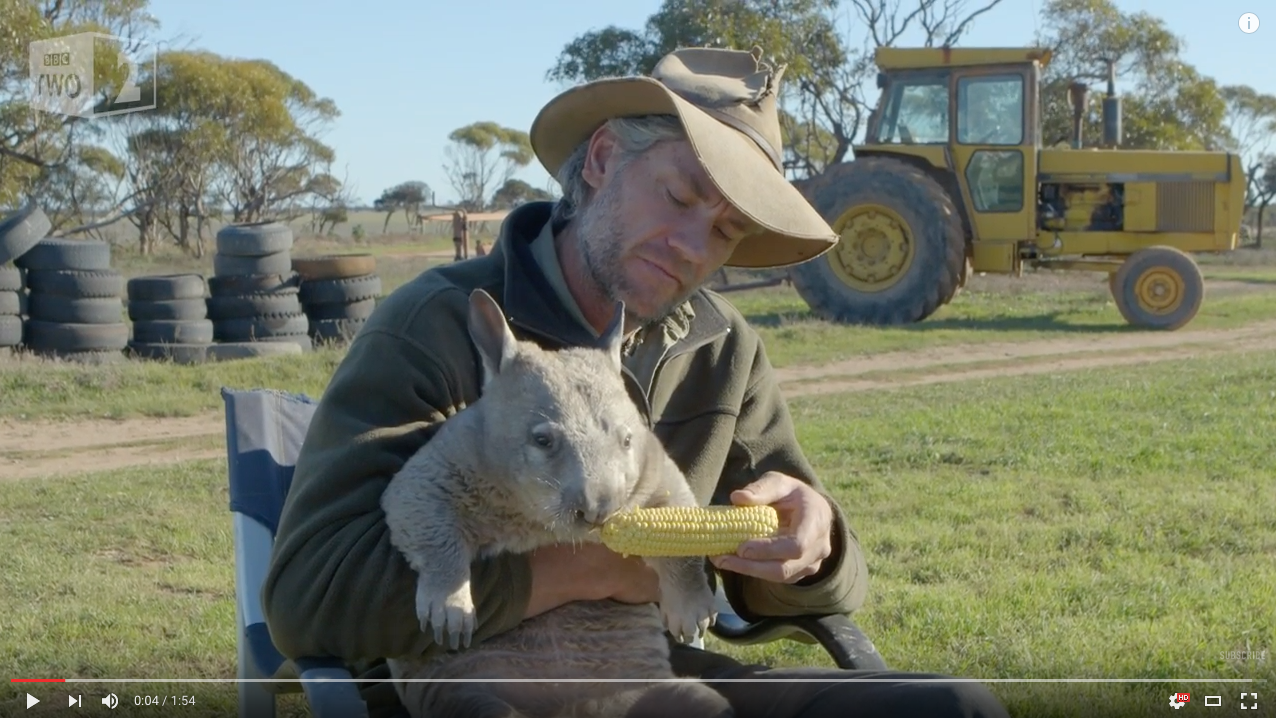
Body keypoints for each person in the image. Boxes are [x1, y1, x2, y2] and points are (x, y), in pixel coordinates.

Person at [262, 46, 1010, 718]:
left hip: (648, 672)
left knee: (949, 705)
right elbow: (308, 601)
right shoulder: (435, 328)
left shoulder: (722, 349)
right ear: (602, 159)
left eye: (723, 231)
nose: (691, 247)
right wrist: (577, 571)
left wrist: (815, 544)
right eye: (680, 197)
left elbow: (794, 591)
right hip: (471, 681)